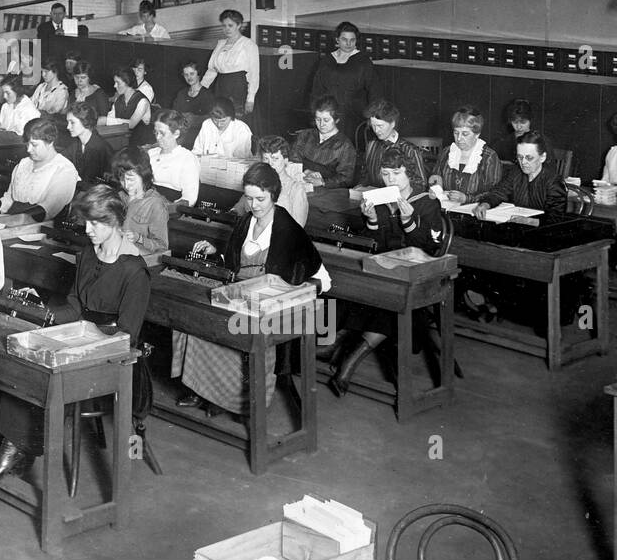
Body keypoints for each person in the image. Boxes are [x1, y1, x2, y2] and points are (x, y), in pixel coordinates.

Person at [0, 185, 148, 479]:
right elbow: (73, 305)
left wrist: (77, 336)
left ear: (115, 222)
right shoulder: (87, 254)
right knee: (15, 357)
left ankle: (12, 447)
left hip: (108, 354)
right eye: (87, 222)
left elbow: (127, 335)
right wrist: (44, 317)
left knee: (33, 373)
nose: (88, 229)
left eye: (96, 223)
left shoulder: (134, 271)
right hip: (77, 336)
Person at [173, 163, 329, 417]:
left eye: (260, 199)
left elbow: (320, 277)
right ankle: (208, 392)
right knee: (193, 320)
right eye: (249, 198)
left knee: (226, 328)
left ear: (274, 196)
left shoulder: (288, 229)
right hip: (237, 292)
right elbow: (236, 259)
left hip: (267, 302)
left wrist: (296, 288)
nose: (254, 204)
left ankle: (234, 401)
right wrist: (217, 253)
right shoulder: (246, 221)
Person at [327, 147, 446, 397]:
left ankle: (350, 360)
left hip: (415, 279)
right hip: (383, 272)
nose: (391, 179)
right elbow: (375, 246)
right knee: (352, 293)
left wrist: (410, 222)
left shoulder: (426, 203)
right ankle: (336, 346)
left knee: (392, 302)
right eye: (385, 173)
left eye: (396, 173)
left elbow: (429, 251)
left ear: (409, 174)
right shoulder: (380, 200)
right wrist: (371, 220)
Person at [472, 131, 567, 220]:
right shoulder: (516, 173)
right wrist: (485, 204)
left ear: (542, 157)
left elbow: (555, 218)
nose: (523, 162)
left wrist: (528, 221)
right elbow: (499, 192)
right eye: (520, 157)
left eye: (529, 157)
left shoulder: (554, 181)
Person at [0, 117, 79, 219]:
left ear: (50, 142)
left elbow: (47, 209)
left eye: (34, 145)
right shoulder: (24, 164)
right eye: (27, 144)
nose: (28, 149)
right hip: (14, 220)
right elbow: (9, 199)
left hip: (40, 226)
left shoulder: (64, 170)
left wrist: (11, 219)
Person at [309, 21, 377, 134]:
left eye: (352, 40)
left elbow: (374, 91)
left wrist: (373, 116)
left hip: (353, 116)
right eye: (344, 39)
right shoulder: (327, 60)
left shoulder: (363, 61)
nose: (348, 43)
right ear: (337, 39)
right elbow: (317, 90)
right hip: (328, 114)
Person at [428, 106, 502, 203]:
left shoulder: (489, 157)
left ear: (477, 134)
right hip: (446, 210)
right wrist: (435, 189)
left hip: (475, 213)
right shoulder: (447, 152)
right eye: (456, 133)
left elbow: (495, 193)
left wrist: (467, 198)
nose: (459, 138)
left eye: (465, 134)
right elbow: (436, 178)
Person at [112, 148, 170, 265]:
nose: (126, 185)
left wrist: (139, 238)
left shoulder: (155, 204)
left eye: (130, 179)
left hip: (139, 263)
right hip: (117, 256)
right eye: (122, 180)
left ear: (143, 175)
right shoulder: (119, 197)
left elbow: (162, 247)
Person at [356, 99, 426, 192]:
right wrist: (360, 187)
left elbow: (421, 184)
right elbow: (365, 175)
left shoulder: (409, 150)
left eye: (380, 126)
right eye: (373, 126)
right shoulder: (371, 145)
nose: (376, 130)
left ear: (392, 123)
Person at [200, 8, 259, 116]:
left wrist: (250, 99)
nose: (227, 29)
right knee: (219, 117)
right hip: (220, 86)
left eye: (230, 25)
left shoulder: (248, 45)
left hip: (238, 87)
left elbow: (254, 73)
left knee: (235, 119)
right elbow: (212, 69)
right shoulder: (221, 44)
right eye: (224, 26)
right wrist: (201, 87)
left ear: (239, 25)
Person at [292, 96, 358, 190]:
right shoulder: (305, 135)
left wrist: (322, 182)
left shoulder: (345, 146)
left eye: (326, 120)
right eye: (318, 119)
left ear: (336, 120)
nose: (321, 124)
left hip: (328, 192)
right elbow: (293, 158)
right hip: (300, 184)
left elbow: (346, 178)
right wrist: (307, 171)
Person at [240, 135, 307, 226]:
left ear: (286, 160)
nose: (270, 164)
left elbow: (298, 229)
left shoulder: (296, 189)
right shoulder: (255, 182)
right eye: (266, 159)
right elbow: (239, 208)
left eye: (275, 159)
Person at [148, 109, 199, 205]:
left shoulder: (187, 159)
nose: (157, 137)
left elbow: (190, 198)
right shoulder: (151, 154)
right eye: (156, 132)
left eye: (162, 133)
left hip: (169, 208)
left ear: (176, 134)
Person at [63, 102, 112, 186]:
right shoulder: (77, 143)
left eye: (72, 122)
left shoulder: (98, 147)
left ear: (85, 121)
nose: (68, 127)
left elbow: (90, 180)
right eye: (68, 122)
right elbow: (63, 157)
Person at [170, 60, 214, 146]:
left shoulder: (207, 94)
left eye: (192, 73)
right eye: (186, 75)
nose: (189, 77)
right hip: (181, 132)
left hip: (199, 135)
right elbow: (174, 113)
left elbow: (212, 119)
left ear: (198, 74)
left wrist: (195, 119)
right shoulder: (181, 93)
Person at [108, 66, 152, 148]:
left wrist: (106, 120)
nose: (114, 86)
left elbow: (131, 124)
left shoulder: (142, 101)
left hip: (142, 145)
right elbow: (111, 119)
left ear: (127, 82)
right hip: (123, 142)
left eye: (118, 83)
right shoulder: (118, 100)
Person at [493, 98, 534, 165]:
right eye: (515, 122)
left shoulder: (540, 141)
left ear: (530, 120)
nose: (519, 126)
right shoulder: (504, 142)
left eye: (523, 122)